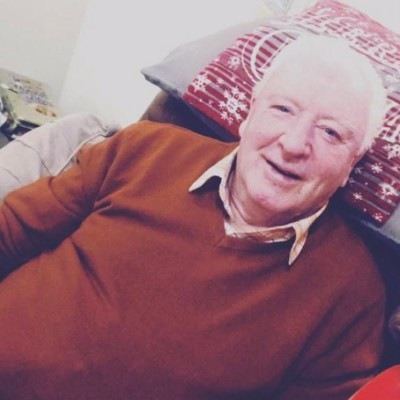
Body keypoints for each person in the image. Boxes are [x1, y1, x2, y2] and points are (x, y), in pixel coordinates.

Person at [0, 34, 388, 400]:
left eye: (330, 133)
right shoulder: (146, 148)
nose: (294, 143)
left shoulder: (351, 294)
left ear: (351, 164)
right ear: (250, 113)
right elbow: (11, 230)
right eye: (283, 109)